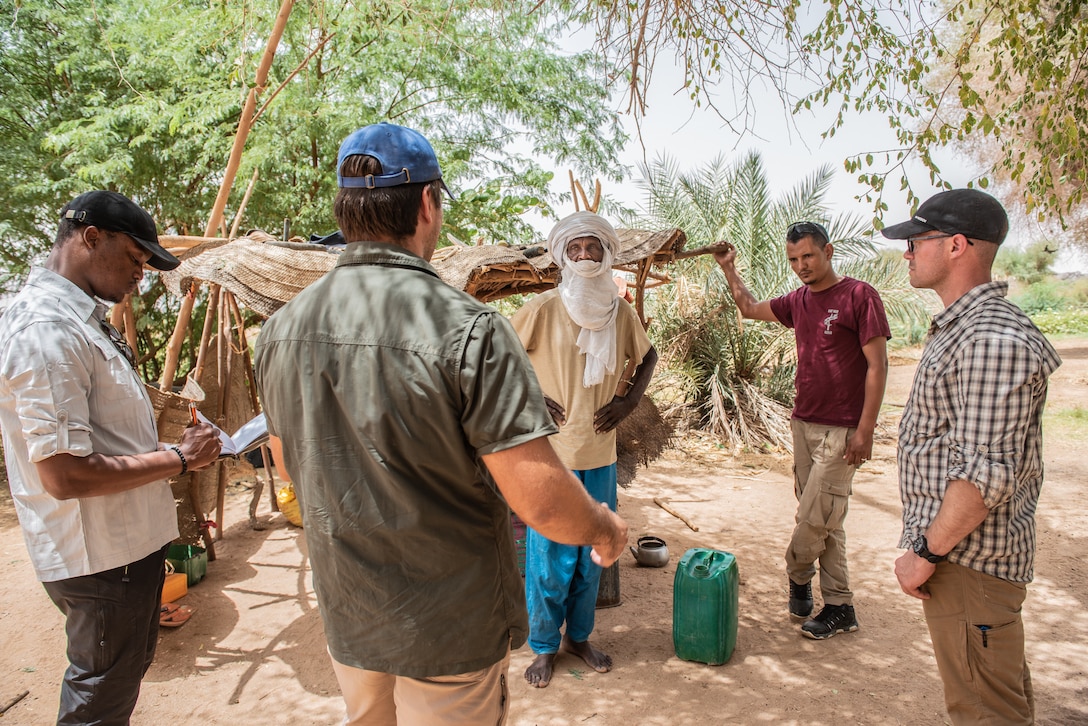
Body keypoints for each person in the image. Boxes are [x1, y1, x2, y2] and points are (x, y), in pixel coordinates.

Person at [253, 122, 628, 726]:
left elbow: (290, 460)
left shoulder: (280, 329)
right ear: (428, 204)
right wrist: (606, 529)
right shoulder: (470, 328)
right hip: (445, 625)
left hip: (349, 611)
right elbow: (539, 500)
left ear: (344, 210)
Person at [0, 190, 223, 724]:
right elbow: (64, 473)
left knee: (117, 684)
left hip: (123, 550)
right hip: (100, 557)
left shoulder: (79, 321)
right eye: (135, 259)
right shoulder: (47, 330)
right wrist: (180, 458)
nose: (140, 276)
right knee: (99, 701)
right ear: (90, 237)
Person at [883, 189, 1060, 725]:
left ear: (956, 245)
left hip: (967, 564)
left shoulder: (988, 339)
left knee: (984, 712)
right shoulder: (968, 328)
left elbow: (983, 476)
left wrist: (926, 554)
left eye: (917, 242)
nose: (907, 254)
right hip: (964, 562)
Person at [711, 221, 890, 639]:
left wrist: (866, 430)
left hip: (844, 428)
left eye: (808, 256)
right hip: (803, 424)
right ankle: (841, 606)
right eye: (793, 259)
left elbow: (878, 366)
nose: (801, 266)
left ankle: (796, 573)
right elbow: (750, 309)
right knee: (828, 520)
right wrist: (729, 269)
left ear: (828, 251)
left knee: (814, 517)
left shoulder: (859, 296)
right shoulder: (799, 301)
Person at [509, 211, 658, 688]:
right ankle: (545, 647)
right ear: (561, 256)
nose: (585, 255)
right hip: (551, 459)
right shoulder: (544, 307)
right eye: (574, 249)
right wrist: (532, 398)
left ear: (606, 252)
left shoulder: (619, 310)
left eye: (592, 247)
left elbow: (648, 354)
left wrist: (628, 400)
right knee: (549, 560)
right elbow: (500, 356)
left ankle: (580, 637)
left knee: (594, 556)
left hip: (600, 455)